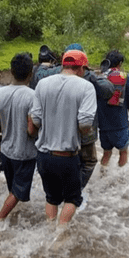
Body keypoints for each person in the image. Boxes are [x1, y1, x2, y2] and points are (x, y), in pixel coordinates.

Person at [29, 49, 97, 224]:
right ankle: (59, 237)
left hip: (43, 156)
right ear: (81, 68)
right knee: (72, 199)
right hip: (66, 156)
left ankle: (50, 229)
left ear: (64, 65)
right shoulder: (86, 87)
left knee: (51, 198)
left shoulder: (43, 84)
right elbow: (84, 124)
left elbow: (35, 119)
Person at [31, 43, 112, 189]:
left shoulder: (47, 75)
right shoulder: (87, 76)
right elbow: (108, 91)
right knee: (88, 162)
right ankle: (75, 191)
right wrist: (91, 76)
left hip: (50, 132)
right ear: (82, 64)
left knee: (50, 166)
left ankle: (52, 191)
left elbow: (36, 78)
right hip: (83, 134)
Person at [0, 53, 37, 220]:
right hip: (24, 153)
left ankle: (13, 217)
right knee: (17, 192)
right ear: (31, 73)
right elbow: (31, 131)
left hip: (5, 151)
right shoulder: (32, 96)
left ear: (11, 71)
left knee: (13, 189)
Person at [97, 50, 129, 168]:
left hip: (103, 124)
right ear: (120, 63)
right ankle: (121, 180)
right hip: (120, 124)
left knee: (106, 154)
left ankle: (102, 176)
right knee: (123, 152)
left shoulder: (100, 77)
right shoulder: (125, 77)